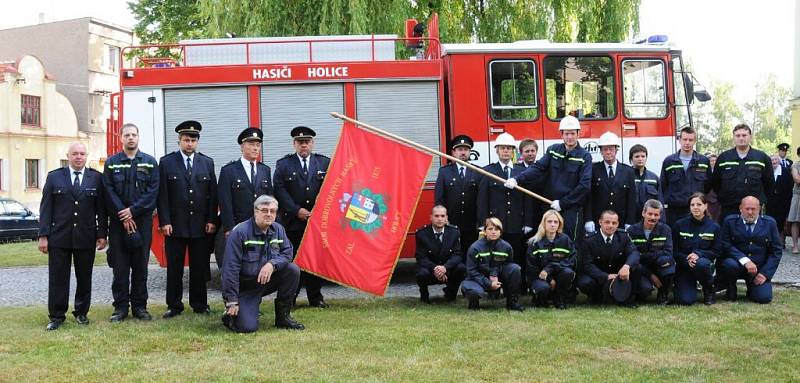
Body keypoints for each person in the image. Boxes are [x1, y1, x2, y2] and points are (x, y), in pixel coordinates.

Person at [38, 143, 107, 330]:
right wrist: (43, 236)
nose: (78, 157)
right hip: (59, 237)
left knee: (84, 277)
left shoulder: (96, 178)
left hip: (86, 236)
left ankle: (81, 312)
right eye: (74, 154)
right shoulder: (54, 177)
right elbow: (46, 208)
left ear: (86, 156)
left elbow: (101, 209)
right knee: (58, 278)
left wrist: (102, 234)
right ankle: (57, 316)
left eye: (82, 154)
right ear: (68, 156)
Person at [158, 120, 218, 318]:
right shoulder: (167, 162)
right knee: (174, 267)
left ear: (197, 142)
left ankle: (199, 304)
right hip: (175, 225)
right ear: (179, 141)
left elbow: (212, 195)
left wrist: (212, 220)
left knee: (199, 267)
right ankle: (174, 305)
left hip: (201, 225)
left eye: (193, 140)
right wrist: (164, 221)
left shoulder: (207, 163)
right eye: (186, 140)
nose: (189, 143)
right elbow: (163, 195)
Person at [221, 195, 304, 332]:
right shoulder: (239, 233)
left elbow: (287, 253)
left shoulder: (278, 230)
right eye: (264, 210)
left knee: (292, 270)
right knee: (247, 327)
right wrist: (232, 300)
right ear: (255, 211)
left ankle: (283, 318)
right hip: (245, 287)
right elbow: (230, 269)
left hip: (265, 282)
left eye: (273, 211)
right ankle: (231, 316)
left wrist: (272, 264)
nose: (269, 214)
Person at [103, 123, 159, 322]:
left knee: (140, 267)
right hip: (118, 225)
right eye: (127, 135)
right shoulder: (111, 163)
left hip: (142, 223)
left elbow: (153, 193)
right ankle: (120, 309)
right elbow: (108, 192)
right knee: (120, 268)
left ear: (138, 137)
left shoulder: (150, 163)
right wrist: (123, 215)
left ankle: (140, 307)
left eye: (134, 134)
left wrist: (132, 212)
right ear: (121, 138)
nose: (131, 138)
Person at [505, 115, 592, 241]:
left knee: (569, 243)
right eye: (566, 134)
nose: (570, 137)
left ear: (578, 133)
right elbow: (538, 168)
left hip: (571, 210)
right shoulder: (553, 150)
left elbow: (584, 186)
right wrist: (517, 179)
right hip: (549, 206)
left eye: (573, 133)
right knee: (547, 243)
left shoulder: (584, 156)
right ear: (561, 134)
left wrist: (563, 203)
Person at [273, 126, 330, 308]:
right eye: (300, 142)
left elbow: (331, 190)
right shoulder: (283, 165)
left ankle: (316, 297)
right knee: (293, 261)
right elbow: (279, 190)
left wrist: (318, 211)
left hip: (316, 221)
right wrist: (296, 210)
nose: (304, 145)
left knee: (315, 261)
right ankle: (291, 297)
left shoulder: (324, 163)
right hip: (293, 222)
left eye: (307, 142)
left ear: (312, 143)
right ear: (294, 144)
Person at [216, 127, 273, 266]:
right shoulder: (229, 170)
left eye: (258, 145)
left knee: (258, 260)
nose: (255, 148)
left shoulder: (265, 170)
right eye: (251, 144)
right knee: (237, 261)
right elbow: (225, 201)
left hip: (260, 225)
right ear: (242, 147)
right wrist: (229, 228)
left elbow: (269, 199)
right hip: (238, 225)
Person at [477, 132, 531, 278]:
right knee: (494, 257)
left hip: (516, 222)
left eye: (509, 148)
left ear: (513, 151)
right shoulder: (489, 171)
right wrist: (483, 222)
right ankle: (493, 286)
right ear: (497, 150)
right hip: (495, 224)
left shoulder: (522, 172)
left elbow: (527, 199)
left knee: (516, 254)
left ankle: (517, 286)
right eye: (502, 148)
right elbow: (482, 199)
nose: (506, 151)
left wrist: (527, 222)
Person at [717, 196, 782, 303]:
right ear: (740, 208)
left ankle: (752, 289)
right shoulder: (730, 221)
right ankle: (731, 288)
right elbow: (725, 245)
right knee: (729, 264)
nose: (750, 212)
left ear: (759, 209)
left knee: (763, 298)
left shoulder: (770, 223)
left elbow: (776, 251)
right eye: (747, 209)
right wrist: (745, 260)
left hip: (758, 269)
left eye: (753, 209)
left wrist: (765, 274)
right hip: (736, 265)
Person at [575, 210, 641, 306]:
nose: (610, 225)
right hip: (598, 277)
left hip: (618, 275)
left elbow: (634, 253)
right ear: (600, 222)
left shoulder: (623, 237)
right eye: (607, 222)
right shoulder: (589, 240)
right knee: (584, 282)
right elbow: (587, 265)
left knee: (637, 267)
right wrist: (606, 276)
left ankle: (628, 299)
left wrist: (627, 266)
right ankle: (597, 297)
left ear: (618, 224)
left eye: (614, 223)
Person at [711, 124, 773, 221]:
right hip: (729, 208)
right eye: (738, 135)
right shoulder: (724, 158)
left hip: (753, 209)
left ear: (750, 137)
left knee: (753, 235)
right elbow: (716, 183)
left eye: (744, 135)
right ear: (734, 137)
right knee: (728, 235)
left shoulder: (761, 158)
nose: (741, 138)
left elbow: (769, 184)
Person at [461, 217, 524, 311]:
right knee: (473, 291)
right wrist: (489, 283)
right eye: (490, 229)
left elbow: (507, 266)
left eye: (497, 229)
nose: (493, 232)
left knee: (515, 269)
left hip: (497, 277)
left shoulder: (507, 247)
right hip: (477, 278)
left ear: (501, 232)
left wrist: (494, 274)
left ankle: (512, 302)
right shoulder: (475, 248)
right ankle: (474, 303)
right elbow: (471, 271)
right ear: (485, 231)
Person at [583, 132, 637, 234]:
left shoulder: (628, 171)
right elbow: (588, 197)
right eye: (605, 149)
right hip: (599, 221)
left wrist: (630, 221)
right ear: (601, 151)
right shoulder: (594, 170)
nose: (608, 152)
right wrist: (588, 219)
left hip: (620, 222)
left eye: (611, 149)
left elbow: (631, 199)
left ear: (616, 150)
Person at [672, 192, 720, 305]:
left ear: (706, 206)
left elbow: (717, 251)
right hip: (684, 265)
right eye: (692, 205)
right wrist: (687, 259)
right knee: (685, 300)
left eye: (699, 204)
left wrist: (699, 255)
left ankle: (709, 289)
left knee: (701, 264)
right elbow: (674, 250)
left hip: (703, 264)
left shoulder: (714, 227)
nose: (695, 207)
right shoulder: (679, 225)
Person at [434, 135, 479, 255]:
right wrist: (443, 218)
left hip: (471, 222)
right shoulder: (444, 172)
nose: (463, 152)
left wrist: (480, 221)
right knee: (452, 252)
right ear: (453, 153)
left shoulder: (478, 171)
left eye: (466, 149)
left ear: (470, 152)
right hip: (451, 221)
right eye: (460, 150)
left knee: (470, 252)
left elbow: (481, 199)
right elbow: (439, 198)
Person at [660, 127, 711, 226]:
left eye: (690, 140)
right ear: (679, 140)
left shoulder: (703, 161)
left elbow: (708, 185)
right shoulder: (669, 161)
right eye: (684, 139)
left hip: (696, 210)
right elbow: (663, 185)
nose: (687, 143)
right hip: (675, 211)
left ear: (695, 141)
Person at [626, 199, 674, 305]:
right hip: (641, 269)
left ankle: (663, 293)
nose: (653, 217)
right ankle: (635, 292)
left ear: (660, 216)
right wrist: (650, 275)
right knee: (644, 291)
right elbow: (632, 257)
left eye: (656, 215)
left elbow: (668, 253)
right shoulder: (631, 231)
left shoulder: (666, 230)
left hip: (659, 265)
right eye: (650, 214)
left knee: (667, 262)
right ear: (643, 213)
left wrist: (643, 255)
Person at [525, 209, 576, 309]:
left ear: (559, 224)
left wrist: (550, 269)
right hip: (539, 277)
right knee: (543, 288)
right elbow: (532, 268)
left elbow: (571, 260)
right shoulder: (535, 242)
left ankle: (559, 299)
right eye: (549, 221)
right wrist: (549, 279)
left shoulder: (565, 239)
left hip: (559, 275)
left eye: (555, 222)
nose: (552, 224)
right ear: (543, 223)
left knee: (568, 272)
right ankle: (539, 298)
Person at [414, 205, 465, 303]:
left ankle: (451, 294)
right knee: (421, 273)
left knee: (461, 268)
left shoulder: (454, 232)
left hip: (447, 270)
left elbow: (457, 255)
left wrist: (445, 267)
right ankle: (424, 296)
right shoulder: (421, 234)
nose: (439, 219)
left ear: (446, 218)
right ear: (431, 217)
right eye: (436, 216)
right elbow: (421, 257)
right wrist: (436, 268)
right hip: (430, 270)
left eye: (442, 216)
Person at [518, 138, 543, 242]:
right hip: (522, 214)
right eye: (527, 151)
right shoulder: (517, 170)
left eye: (533, 151)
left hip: (539, 212)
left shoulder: (543, 169)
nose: (530, 154)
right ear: (521, 153)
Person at [766, 155, 793, 237]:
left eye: (775, 160)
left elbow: (789, 187)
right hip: (770, 202)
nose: (774, 162)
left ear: (779, 161)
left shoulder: (786, 171)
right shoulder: (767, 171)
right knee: (770, 221)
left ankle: (781, 242)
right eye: (772, 160)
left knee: (781, 222)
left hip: (783, 202)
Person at [629, 144, 660, 215]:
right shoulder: (626, 177)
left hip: (649, 217)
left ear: (646, 158)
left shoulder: (654, 178)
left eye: (643, 156)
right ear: (631, 159)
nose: (640, 159)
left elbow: (659, 201)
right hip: (632, 218)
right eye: (637, 156)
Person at [787, 148, 800, 254]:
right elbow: (797, 179)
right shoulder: (795, 166)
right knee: (795, 221)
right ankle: (795, 246)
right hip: (798, 196)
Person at [705, 153, 722, 222]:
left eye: (715, 160)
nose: (714, 162)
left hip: (718, 200)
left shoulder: (721, 171)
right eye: (712, 160)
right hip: (708, 199)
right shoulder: (705, 172)